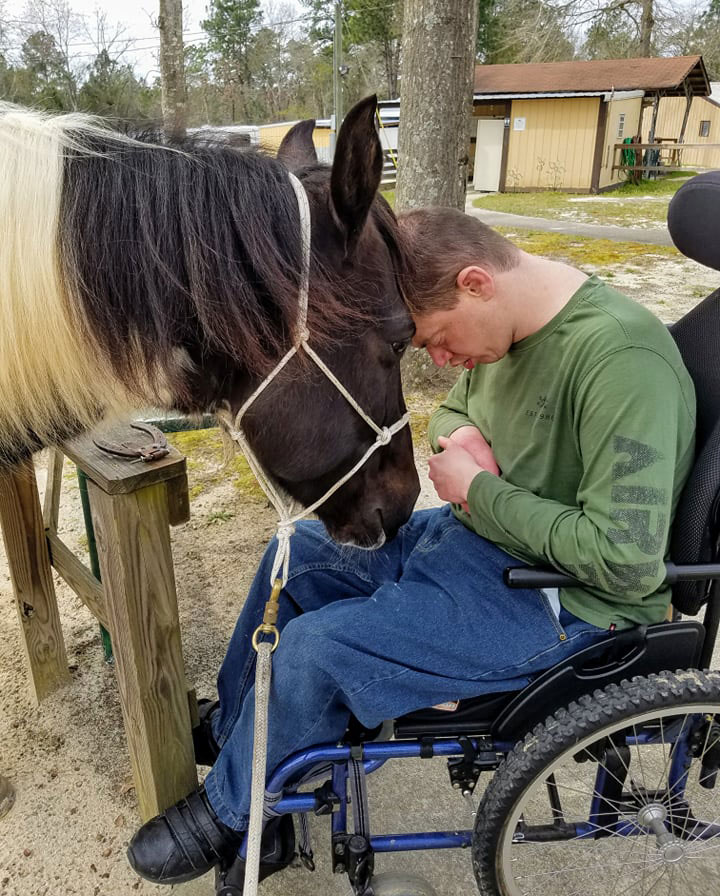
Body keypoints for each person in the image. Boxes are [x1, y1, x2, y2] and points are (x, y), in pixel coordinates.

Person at [127, 207, 696, 890]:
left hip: (567, 604)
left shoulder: (618, 359)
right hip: (479, 547)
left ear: (477, 282)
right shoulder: (511, 329)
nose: (441, 361)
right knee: (304, 552)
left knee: (316, 648)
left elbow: (626, 559)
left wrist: (480, 488)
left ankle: (229, 812)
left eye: (437, 341)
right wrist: (458, 445)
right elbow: (455, 416)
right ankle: (238, 738)